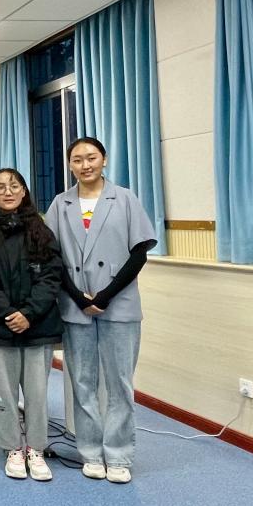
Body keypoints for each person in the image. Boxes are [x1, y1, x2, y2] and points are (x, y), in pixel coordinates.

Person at [45, 137, 157, 485]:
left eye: (91, 157)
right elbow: (51, 255)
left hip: (119, 304)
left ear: (104, 160)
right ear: (70, 165)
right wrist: (79, 298)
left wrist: (105, 296)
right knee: (82, 382)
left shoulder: (124, 198)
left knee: (120, 383)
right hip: (75, 305)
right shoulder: (61, 203)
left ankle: (119, 454)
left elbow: (139, 253)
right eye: (77, 159)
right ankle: (90, 452)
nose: (85, 165)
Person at [0, 168, 63, 482]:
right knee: (4, 394)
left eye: (14, 186)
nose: (7, 192)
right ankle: (12, 447)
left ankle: (36, 448)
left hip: (38, 326)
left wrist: (28, 313)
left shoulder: (41, 230)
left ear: (24, 191)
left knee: (37, 394)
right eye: (0, 187)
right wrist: (8, 313)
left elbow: (52, 275)